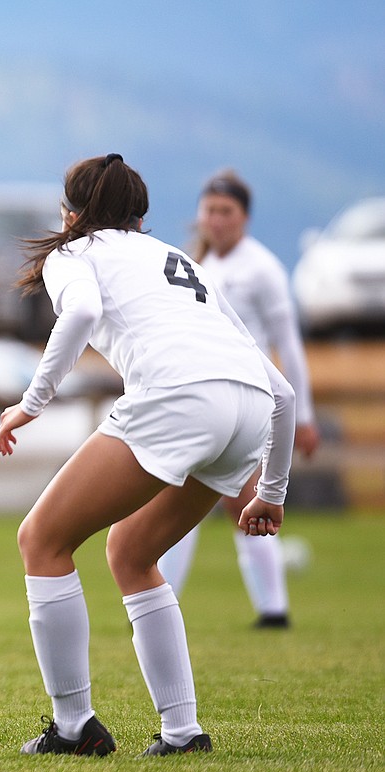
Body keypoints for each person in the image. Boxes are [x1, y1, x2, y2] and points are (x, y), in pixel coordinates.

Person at [0, 154, 295, 757]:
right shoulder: (182, 259)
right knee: (132, 552)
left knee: (42, 541)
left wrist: (31, 402)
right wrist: (271, 492)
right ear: (140, 216)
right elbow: (282, 393)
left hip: (181, 398)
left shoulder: (73, 252)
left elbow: (78, 312)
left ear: (72, 212)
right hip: (248, 408)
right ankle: (183, 734)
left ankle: (75, 727)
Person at [157, 170, 320, 628]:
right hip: (209, 397)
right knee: (208, 498)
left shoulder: (262, 269)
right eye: (209, 210)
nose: (216, 219)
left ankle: (268, 609)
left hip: (249, 401)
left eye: (226, 211)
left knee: (225, 499)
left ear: (244, 217)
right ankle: (267, 610)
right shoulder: (198, 265)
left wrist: (302, 416)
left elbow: (288, 345)